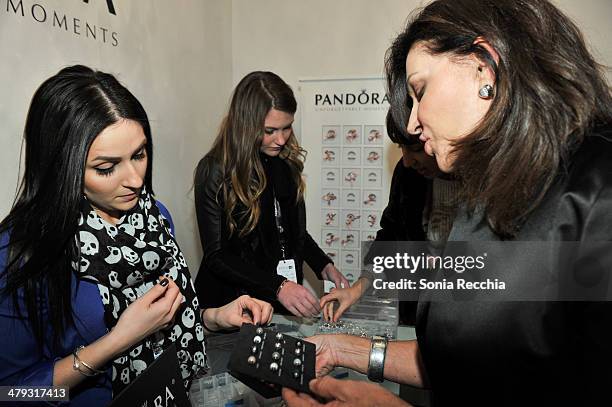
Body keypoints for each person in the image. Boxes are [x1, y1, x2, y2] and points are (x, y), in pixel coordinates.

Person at [284, 0, 612, 405]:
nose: (411, 122)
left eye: (420, 90)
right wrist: (343, 349)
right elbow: (472, 355)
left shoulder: (596, 194)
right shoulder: (492, 196)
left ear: (483, 66)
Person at [0, 65, 273, 406]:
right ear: (61, 166)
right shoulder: (20, 251)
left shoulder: (155, 218)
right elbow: (11, 395)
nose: (134, 179)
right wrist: (117, 342)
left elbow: (163, 322)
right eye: (106, 168)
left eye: (139, 154)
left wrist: (213, 318)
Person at [193, 71, 349, 318]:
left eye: (286, 128)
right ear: (246, 125)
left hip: (276, 301)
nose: (280, 139)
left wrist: (323, 265)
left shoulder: (284, 163)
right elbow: (217, 255)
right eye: (270, 130)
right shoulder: (214, 170)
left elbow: (291, 232)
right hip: (230, 306)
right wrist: (278, 285)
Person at [321, 111, 458, 324]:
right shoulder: (408, 174)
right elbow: (391, 235)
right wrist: (358, 287)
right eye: (400, 149)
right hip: (414, 311)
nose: (406, 161)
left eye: (413, 149)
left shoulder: (487, 182)